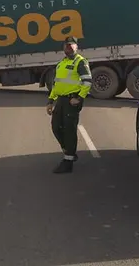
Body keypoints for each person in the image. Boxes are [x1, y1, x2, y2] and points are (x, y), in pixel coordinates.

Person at [46, 36, 93, 174]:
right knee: (55, 127)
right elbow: (56, 84)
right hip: (60, 100)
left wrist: (79, 98)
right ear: (63, 48)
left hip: (72, 100)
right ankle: (69, 152)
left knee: (69, 130)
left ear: (76, 47)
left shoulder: (80, 62)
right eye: (67, 45)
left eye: (72, 45)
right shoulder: (61, 63)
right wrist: (50, 100)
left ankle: (68, 162)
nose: (69, 47)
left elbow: (87, 82)